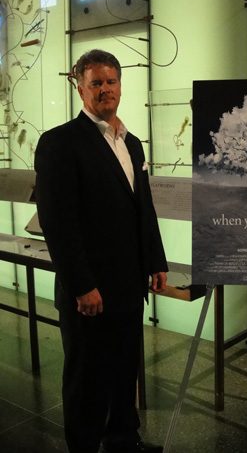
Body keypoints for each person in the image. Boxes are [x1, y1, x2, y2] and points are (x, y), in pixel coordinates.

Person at [34, 49, 168, 453]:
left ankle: (124, 440)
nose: (105, 90)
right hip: (89, 294)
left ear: (121, 85)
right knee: (87, 379)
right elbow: (58, 224)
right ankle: (85, 446)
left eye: (111, 82)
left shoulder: (132, 142)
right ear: (80, 87)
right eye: (96, 83)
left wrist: (156, 260)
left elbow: (143, 207)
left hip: (129, 285)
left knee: (126, 371)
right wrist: (82, 286)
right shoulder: (59, 143)